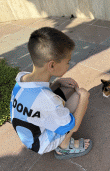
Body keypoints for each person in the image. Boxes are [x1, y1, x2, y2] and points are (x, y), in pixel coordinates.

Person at [10, 27, 92, 160]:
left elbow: (36, 98)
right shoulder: (47, 100)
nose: (68, 65)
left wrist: (57, 83)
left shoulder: (22, 78)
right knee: (77, 97)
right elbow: (74, 126)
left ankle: (60, 131)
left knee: (67, 90)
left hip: (28, 134)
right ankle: (64, 147)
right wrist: (84, 97)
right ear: (52, 66)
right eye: (67, 62)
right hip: (41, 143)